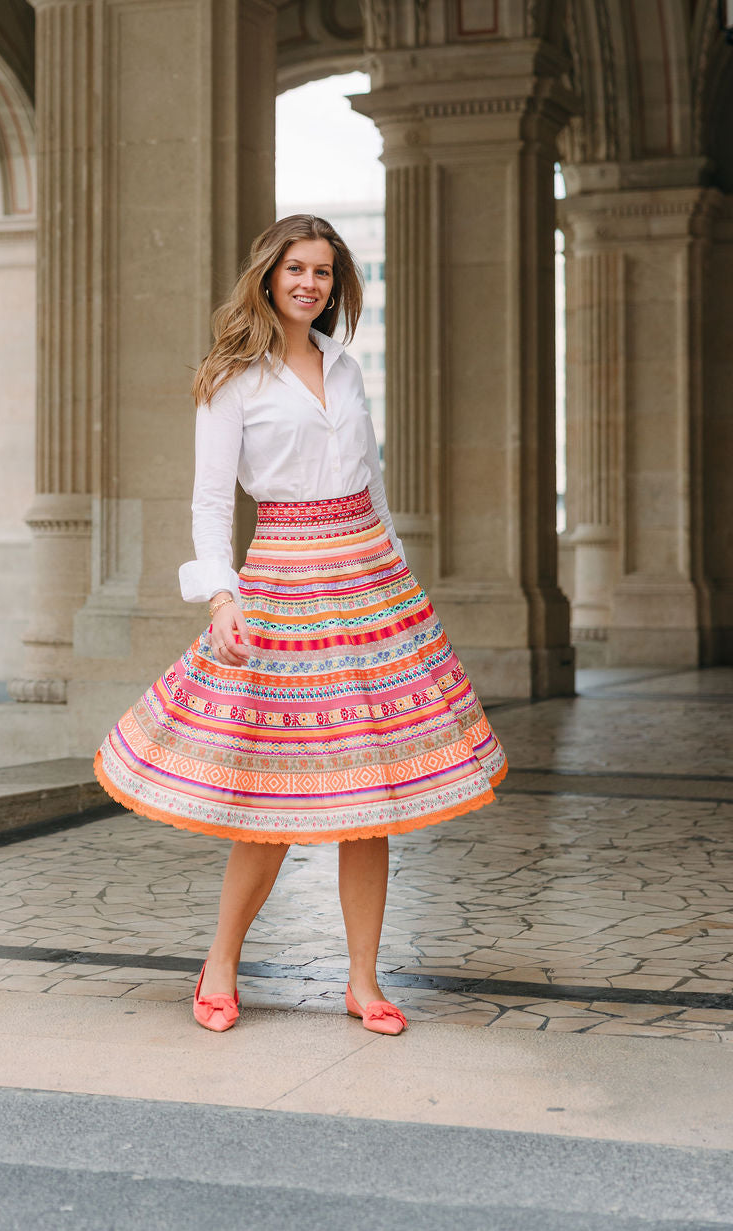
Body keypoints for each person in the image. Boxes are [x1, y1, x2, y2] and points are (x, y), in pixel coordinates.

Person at [95, 214, 507, 1036]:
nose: (310, 282)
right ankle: (221, 960)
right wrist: (221, 597)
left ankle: (363, 979)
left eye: (323, 270)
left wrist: (401, 575)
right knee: (273, 793)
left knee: (373, 795)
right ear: (268, 275)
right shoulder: (230, 379)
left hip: (371, 583)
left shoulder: (348, 369)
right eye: (297, 268)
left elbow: (372, 483)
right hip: (283, 580)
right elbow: (212, 503)